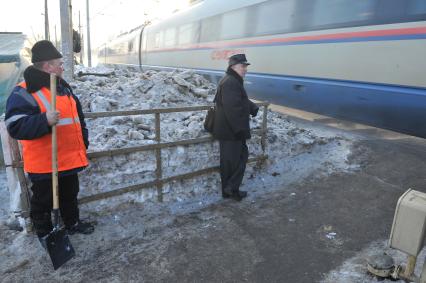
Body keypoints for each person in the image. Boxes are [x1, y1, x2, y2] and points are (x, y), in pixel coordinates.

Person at [5, 40, 94, 243]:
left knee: (70, 194)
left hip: (69, 157)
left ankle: (72, 223)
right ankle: (45, 234)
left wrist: (84, 141)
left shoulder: (62, 87)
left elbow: (78, 118)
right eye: (59, 64)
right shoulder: (24, 92)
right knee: (43, 201)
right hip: (45, 162)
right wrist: (43, 120)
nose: (62, 67)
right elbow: (15, 126)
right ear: (47, 66)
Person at [212, 54, 259, 201]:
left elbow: (240, 100)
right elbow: (233, 109)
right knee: (237, 160)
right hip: (232, 131)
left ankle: (229, 190)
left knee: (231, 161)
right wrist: (240, 131)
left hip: (229, 130)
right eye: (242, 66)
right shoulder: (231, 82)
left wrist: (252, 107)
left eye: (246, 66)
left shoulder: (232, 80)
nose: (245, 69)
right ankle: (231, 189)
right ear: (233, 67)